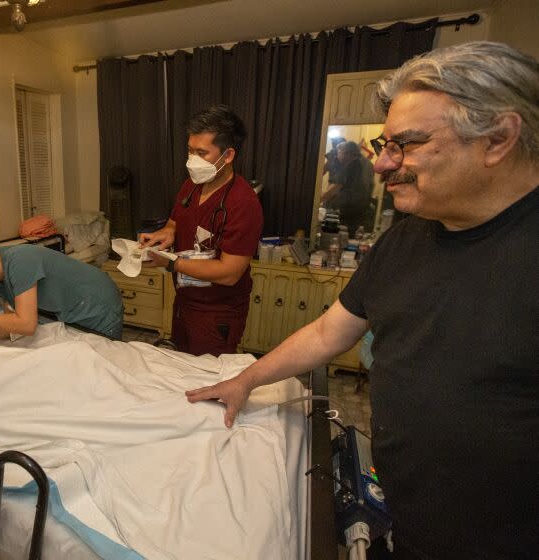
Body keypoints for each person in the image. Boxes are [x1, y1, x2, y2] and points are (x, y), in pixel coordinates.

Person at [186, 41, 539, 559]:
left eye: (407, 145)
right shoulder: (406, 239)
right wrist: (246, 379)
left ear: (497, 138)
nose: (383, 166)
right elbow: (329, 332)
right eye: (383, 145)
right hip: (412, 515)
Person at [139, 105, 263, 356]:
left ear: (227, 155)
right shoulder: (191, 186)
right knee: (182, 368)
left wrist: (170, 262)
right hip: (184, 302)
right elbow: (176, 222)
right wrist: (166, 233)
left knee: (207, 382)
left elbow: (229, 273)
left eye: (201, 153)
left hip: (217, 313)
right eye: (189, 151)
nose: (191, 160)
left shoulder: (243, 203)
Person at [0, 238, 123, 340]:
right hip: (74, 313)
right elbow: (11, 327)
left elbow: (27, 325)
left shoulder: (19, 260)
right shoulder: (0, 283)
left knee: (107, 365)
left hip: (98, 305)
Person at [321, 140, 375, 233]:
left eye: (339, 153)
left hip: (348, 209)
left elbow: (336, 187)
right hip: (358, 208)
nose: (338, 157)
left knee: (341, 232)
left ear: (346, 153)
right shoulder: (358, 162)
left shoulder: (352, 164)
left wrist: (318, 201)